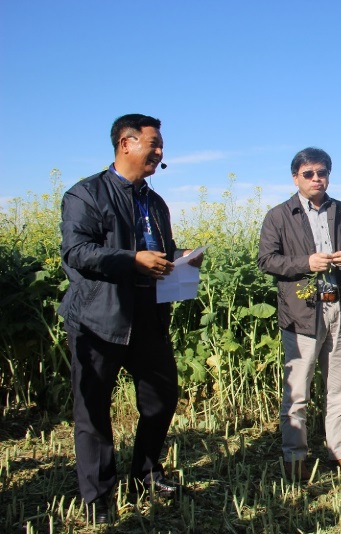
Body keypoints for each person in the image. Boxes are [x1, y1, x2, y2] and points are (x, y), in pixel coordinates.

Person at [59, 114, 203, 524]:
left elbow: (161, 250)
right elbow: (76, 254)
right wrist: (132, 260)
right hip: (97, 317)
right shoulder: (85, 195)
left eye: (161, 146)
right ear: (126, 143)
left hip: (148, 316)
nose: (160, 152)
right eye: (154, 144)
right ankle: (98, 496)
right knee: (94, 411)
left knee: (161, 399)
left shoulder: (154, 202)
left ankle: (145, 473)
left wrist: (180, 263)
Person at [258, 147, 341, 480]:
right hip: (301, 313)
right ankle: (294, 456)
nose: (316, 179)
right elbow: (266, 261)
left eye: (322, 173)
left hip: (339, 308)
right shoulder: (279, 215)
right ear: (296, 178)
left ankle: (340, 450)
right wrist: (306, 263)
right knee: (298, 390)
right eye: (309, 174)